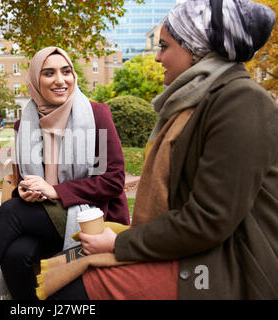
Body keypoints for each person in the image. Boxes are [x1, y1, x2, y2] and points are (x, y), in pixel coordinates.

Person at [47, 0, 277, 300]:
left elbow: (209, 220)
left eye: (164, 47)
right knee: (62, 266)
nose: (157, 58)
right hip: (192, 246)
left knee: (71, 289)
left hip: (227, 263)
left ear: (195, 51)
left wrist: (119, 243)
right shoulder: (195, 101)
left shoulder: (242, 101)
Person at [0, 47, 130, 300]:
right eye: (49, 73)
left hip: (90, 214)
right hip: (42, 215)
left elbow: (113, 180)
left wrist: (55, 190)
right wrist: (24, 189)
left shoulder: (96, 115)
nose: (60, 80)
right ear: (35, 80)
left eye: (66, 72)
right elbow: (25, 178)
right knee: (14, 255)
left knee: (10, 212)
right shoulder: (24, 124)